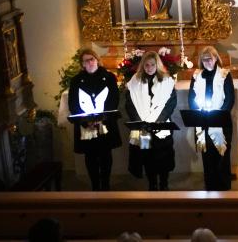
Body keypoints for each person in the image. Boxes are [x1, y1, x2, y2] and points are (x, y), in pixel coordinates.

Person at [68, 48, 122, 191]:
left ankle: (105, 184)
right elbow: (73, 104)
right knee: (90, 155)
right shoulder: (76, 80)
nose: (90, 62)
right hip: (86, 125)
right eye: (86, 60)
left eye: (92, 59)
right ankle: (95, 185)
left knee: (105, 154)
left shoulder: (109, 77)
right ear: (82, 64)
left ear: (97, 60)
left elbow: (113, 100)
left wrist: (101, 119)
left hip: (105, 123)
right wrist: (87, 121)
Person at [125, 51, 177, 191]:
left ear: (157, 65)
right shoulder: (135, 81)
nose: (149, 67)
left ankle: (164, 184)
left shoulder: (166, 81)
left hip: (161, 126)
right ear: (143, 65)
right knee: (147, 157)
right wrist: (139, 122)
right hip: (143, 127)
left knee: (163, 157)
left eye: (152, 65)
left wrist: (159, 121)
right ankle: (152, 183)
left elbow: (171, 103)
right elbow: (129, 104)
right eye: (146, 65)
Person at [188, 46, 235, 191]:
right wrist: (198, 112)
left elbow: (230, 98)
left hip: (221, 121)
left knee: (222, 154)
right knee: (207, 155)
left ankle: (223, 186)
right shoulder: (196, 76)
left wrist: (219, 115)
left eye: (210, 59)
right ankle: (210, 185)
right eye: (204, 59)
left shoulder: (224, 75)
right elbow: (191, 97)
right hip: (203, 121)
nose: (207, 62)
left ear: (216, 59)